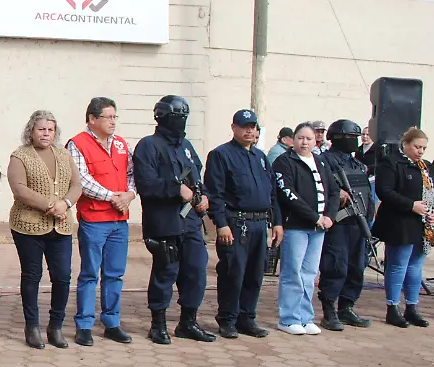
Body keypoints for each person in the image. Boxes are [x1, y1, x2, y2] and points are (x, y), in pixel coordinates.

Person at [132, 95, 215, 345]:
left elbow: (198, 177)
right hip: (164, 221)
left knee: (196, 272)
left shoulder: (186, 146)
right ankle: (157, 324)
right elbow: (146, 184)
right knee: (165, 272)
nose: (180, 121)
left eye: (183, 117)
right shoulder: (148, 145)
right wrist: (175, 189)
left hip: (190, 221)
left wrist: (204, 198)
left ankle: (188, 322)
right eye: (177, 116)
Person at [7, 110, 82, 351]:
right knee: (32, 276)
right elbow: (19, 189)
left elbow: (76, 185)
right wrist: (52, 204)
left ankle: (56, 326)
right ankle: (32, 327)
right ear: (31, 130)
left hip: (60, 226)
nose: (46, 133)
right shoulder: (20, 156)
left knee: (62, 276)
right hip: (28, 226)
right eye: (41, 129)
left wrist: (66, 204)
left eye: (50, 129)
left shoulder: (63, 154)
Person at [204, 110, 281, 339]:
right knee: (232, 272)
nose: (250, 131)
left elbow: (272, 193)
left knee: (255, 274)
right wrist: (221, 224)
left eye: (253, 127)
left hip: (259, 224)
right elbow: (215, 193)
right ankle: (227, 318)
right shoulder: (221, 155)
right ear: (234, 128)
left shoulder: (260, 157)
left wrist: (276, 223)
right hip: (236, 224)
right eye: (245, 126)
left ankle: (247, 318)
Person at [65, 97, 135, 346]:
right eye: (108, 117)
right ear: (92, 119)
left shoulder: (121, 144)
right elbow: (81, 180)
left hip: (119, 219)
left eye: (115, 116)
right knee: (89, 274)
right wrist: (112, 197)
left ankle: (112, 322)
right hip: (94, 219)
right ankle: (84, 324)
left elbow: (131, 174)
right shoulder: (78, 144)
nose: (113, 121)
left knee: (115, 274)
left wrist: (129, 195)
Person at [273, 123, 338, 335]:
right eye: (300, 138)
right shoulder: (285, 162)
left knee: (309, 273)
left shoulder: (321, 161)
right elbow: (288, 194)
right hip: (296, 226)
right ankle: (288, 317)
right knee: (292, 272)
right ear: (293, 139)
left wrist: (329, 216)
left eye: (309, 138)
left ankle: (305, 316)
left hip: (319, 229)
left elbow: (333, 191)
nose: (304, 142)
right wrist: (314, 217)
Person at [372, 127, 432, 329]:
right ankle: (392, 307)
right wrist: (411, 205)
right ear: (405, 144)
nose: (420, 151)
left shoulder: (425, 167)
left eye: (424, 148)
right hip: (399, 221)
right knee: (398, 265)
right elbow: (384, 191)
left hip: (423, 223)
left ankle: (412, 307)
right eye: (417, 147)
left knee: (415, 266)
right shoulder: (390, 163)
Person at [317, 120, 374, 330]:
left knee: (356, 266)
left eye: (356, 137)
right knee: (336, 265)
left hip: (358, 224)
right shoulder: (324, 161)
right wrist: (336, 191)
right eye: (350, 137)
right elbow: (319, 184)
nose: (354, 141)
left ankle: (347, 307)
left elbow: (366, 192)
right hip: (339, 224)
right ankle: (329, 309)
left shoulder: (356, 163)